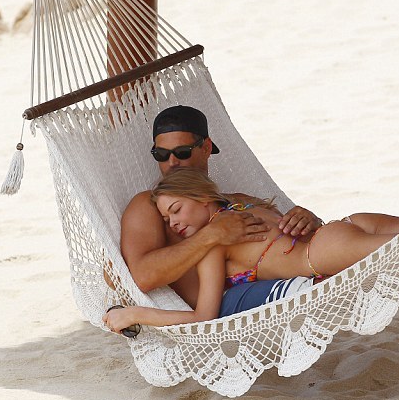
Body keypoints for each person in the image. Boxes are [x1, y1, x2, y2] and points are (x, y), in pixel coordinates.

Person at [104, 116, 399, 332]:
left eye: (176, 211)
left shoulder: (219, 233)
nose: (172, 223)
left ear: (201, 195)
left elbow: (203, 317)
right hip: (342, 231)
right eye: (161, 156)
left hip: (323, 250)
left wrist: (138, 314)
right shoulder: (238, 208)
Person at [119, 105, 323, 312]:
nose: (172, 162)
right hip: (225, 310)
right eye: (161, 154)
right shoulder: (149, 205)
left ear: (206, 148)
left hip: (292, 285)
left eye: (182, 152)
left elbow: (289, 245)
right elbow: (142, 276)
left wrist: (310, 222)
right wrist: (212, 235)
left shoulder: (238, 201)